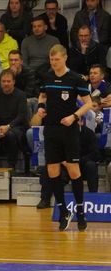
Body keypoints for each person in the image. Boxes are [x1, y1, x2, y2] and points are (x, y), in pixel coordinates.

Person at [36, 44, 92, 231]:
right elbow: (42, 95)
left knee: (73, 169)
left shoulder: (76, 78)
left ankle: (80, 210)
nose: (54, 63)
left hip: (69, 130)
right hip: (50, 129)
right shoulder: (47, 76)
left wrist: (74, 116)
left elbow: (88, 103)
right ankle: (62, 211)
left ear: (65, 58)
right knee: (52, 169)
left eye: (57, 60)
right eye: (52, 60)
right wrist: (41, 108)